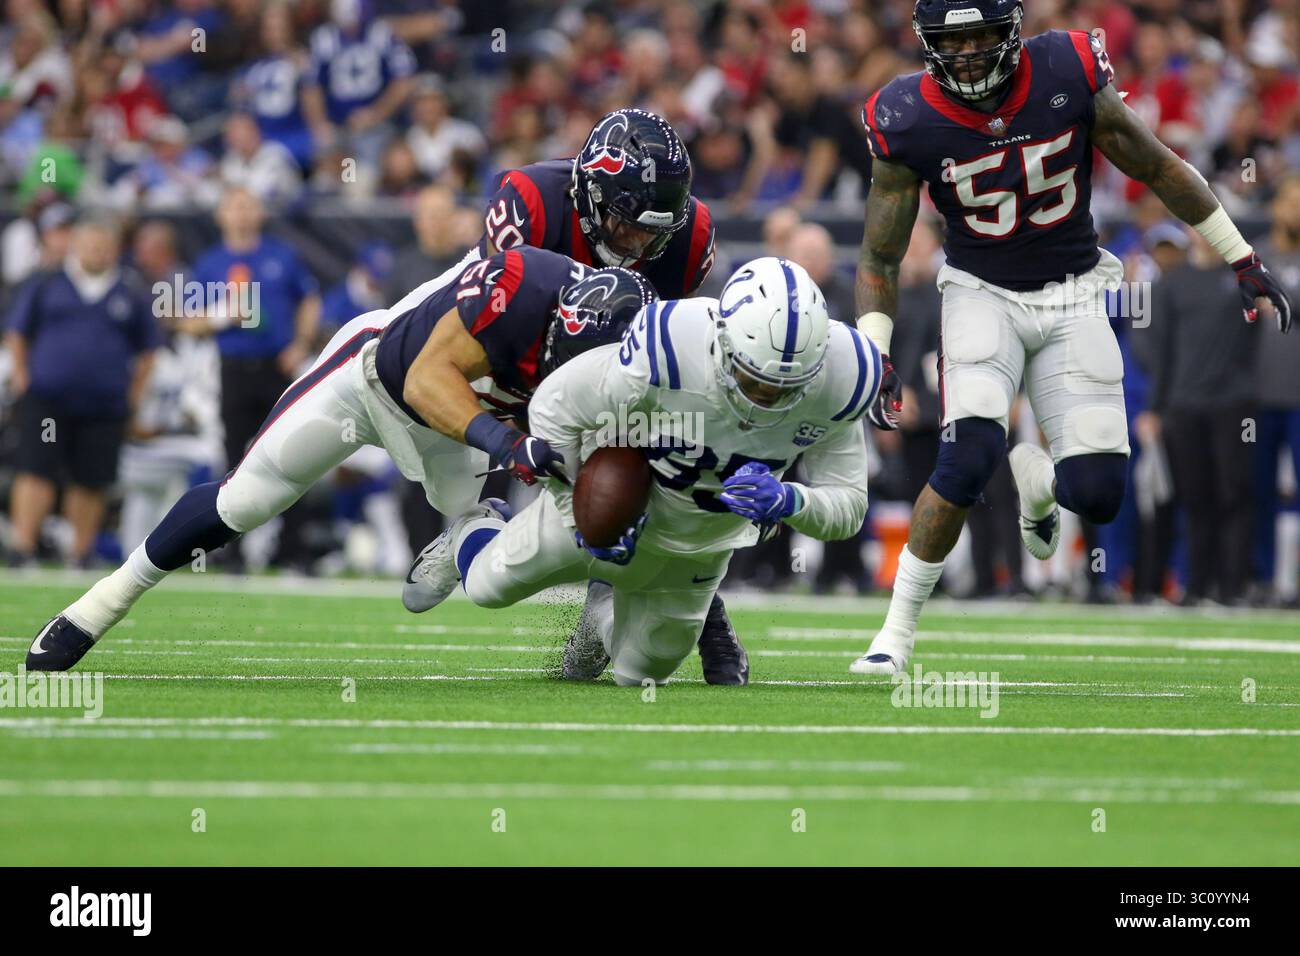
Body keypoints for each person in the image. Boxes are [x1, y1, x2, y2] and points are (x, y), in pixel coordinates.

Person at [849, 0, 1293, 675]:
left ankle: (1040, 485)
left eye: (981, 37)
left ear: (1012, 32)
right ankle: (896, 632)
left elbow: (1160, 166)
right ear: (928, 44)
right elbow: (880, 256)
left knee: (1097, 493)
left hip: (1075, 290)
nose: (968, 53)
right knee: (966, 459)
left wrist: (1240, 255)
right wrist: (876, 355)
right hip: (980, 293)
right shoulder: (906, 117)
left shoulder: (1066, 70)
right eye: (953, 40)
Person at [25, 248, 653, 672]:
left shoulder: (638, 363)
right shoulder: (519, 287)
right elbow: (426, 380)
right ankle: (98, 607)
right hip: (373, 381)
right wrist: (512, 446)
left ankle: (475, 535)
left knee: (489, 566)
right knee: (246, 499)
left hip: (456, 431)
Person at [409, 258, 879, 686]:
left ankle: (600, 612)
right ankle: (473, 529)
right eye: (753, 377)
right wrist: (582, 517)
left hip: (703, 546)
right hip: (618, 501)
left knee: (639, 675)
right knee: (489, 589)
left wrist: (791, 501)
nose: (765, 398)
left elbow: (850, 506)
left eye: (783, 387)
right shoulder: (670, 344)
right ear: (722, 339)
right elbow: (556, 404)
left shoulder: (844, 377)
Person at [446, 106, 750, 686]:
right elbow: (500, 325)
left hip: (632, 374)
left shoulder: (688, 239)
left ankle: (666, 606)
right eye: (627, 222)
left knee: (675, 465)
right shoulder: (530, 202)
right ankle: (544, 555)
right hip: (528, 360)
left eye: (655, 230)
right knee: (573, 490)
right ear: (589, 196)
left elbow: (672, 354)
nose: (639, 242)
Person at [4, 215, 159, 566]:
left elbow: (149, 350)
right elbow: (17, 333)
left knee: (91, 478)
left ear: (117, 251)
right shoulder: (46, 283)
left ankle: (81, 551)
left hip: (104, 402)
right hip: (48, 399)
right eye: (91, 245)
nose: (98, 253)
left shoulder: (129, 290)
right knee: (35, 469)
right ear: (75, 246)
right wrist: (22, 376)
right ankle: (22, 547)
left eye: (105, 247)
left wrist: (133, 395)